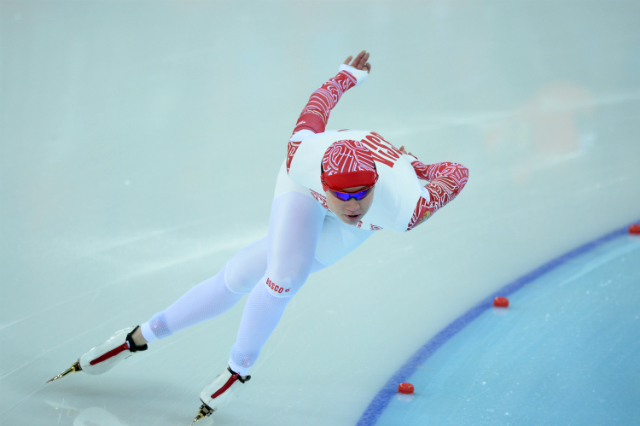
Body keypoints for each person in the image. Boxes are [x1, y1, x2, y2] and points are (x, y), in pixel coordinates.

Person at [47, 51, 469, 424]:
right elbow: (315, 109)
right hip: (301, 193)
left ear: (377, 184)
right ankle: (192, 356)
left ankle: (180, 351)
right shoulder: (303, 158)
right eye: (343, 195)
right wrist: (345, 76)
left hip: (382, 190)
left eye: (363, 194)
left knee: (243, 274)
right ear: (325, 185)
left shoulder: (407, 208)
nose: (353, 204)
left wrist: (418, 169)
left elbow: (459, 171)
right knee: (284, 275)